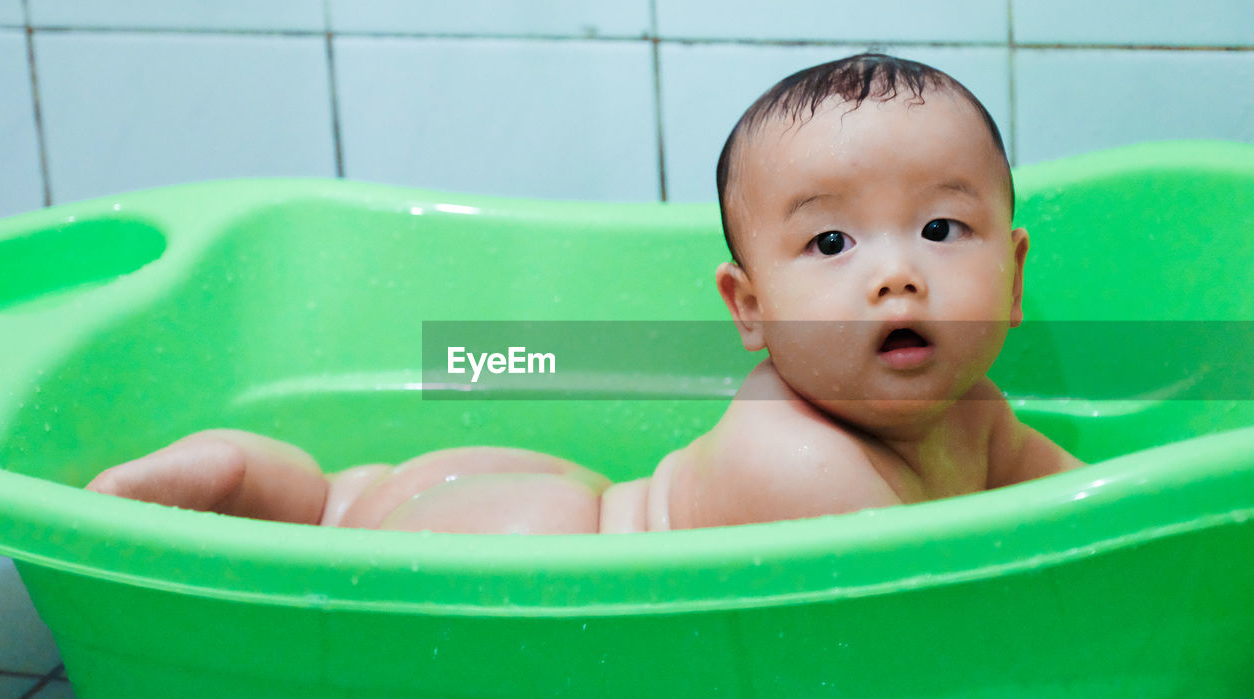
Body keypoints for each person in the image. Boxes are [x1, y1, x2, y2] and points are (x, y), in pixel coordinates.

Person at [86, 53, 1084, 533]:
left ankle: (292, 483)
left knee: (363, 488)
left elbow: (1088, 508)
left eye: (940, 230)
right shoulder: (802, 466)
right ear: (749, 310)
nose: (894, 272)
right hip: (530, 540)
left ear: (1013, 276)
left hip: (585, 490)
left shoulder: (977, 418)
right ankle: (243, 474)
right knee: (346, 518)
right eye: (829, 242)